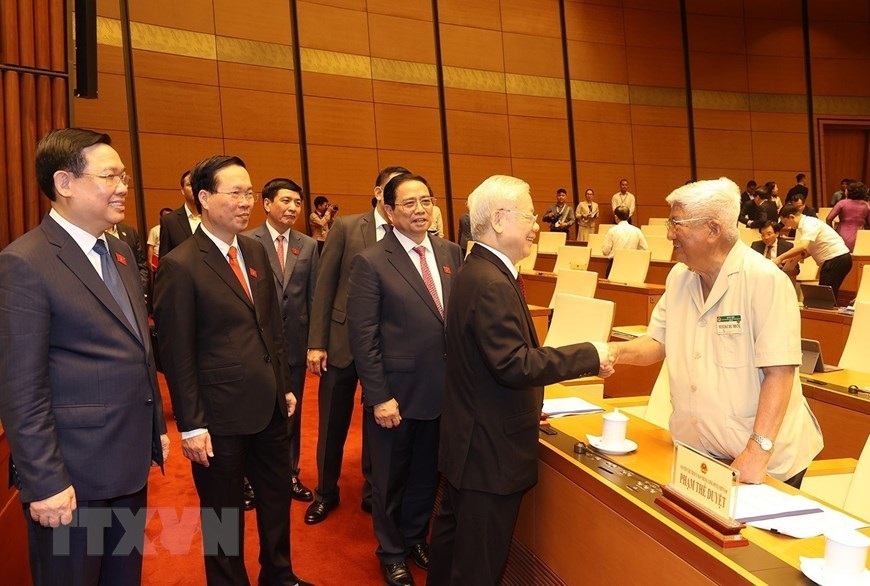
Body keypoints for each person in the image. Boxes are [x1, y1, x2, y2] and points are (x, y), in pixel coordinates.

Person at [0, 127, 169, 584]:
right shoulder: (25, 262)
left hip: (128, 466)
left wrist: (156, 427)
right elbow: (21, 389)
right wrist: (46, 481)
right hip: (72, 481)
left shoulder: (119, 251)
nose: (123, 187)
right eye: (110, 176)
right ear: (65, 183)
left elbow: (137, 347)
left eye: (124, 176)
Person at [427, 174, 613, 586]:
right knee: (476, 568)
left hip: (470, 442)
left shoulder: (477, 270)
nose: (536, 225)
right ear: (498, 220)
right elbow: (513, 364)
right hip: (488, 452)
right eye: (528, 216)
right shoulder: (491, 282)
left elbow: (483, 364)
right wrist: (591, 354)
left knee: (452, 551)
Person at [153, 155, 310, 586]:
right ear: (204, 198)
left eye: (249, 193)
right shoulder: (181, 264)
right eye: (235, 193)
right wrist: (191, 425)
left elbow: (271, 327)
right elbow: (176, 352)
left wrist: (284, 386)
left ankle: (279, 574)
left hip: (269, 407)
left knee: (276, 500)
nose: (246, 202)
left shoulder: (254, 250)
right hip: (218, 417)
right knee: (223, 516)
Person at [606, 177, 822, 489]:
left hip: (761, 461)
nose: (669, 233)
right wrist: (613, 352)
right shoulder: (679, 277)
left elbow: (780, 373)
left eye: (677, 224)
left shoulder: (764, 280)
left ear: (713, 229)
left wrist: (756, 451)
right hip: (700, 453)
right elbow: (657, 342)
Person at [347, 173, 463, 586]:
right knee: (389, 479)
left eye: (426, 201)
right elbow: (363, 336)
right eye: (409, 203)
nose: (420, 210)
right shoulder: (371, 261)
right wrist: (379, 395)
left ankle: (414, 536)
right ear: (389, 210)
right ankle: (391, 551)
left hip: (442, 391)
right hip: (395, 395)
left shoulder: (451, 252)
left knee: (427, 474)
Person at [305, 165, 411, 525]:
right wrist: (317, 341)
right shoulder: (348, 227)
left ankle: (372, 492)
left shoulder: (408, 234)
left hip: (388, 348)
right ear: (379, 192)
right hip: (342, 342)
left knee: (379, 422)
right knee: (332, 422)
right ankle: (326, 492)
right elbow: (324, 285)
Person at [243, 177, 320, 503]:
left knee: (292, 414)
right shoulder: (247, 241)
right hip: (258, 347)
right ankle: (250, 480)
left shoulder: (309, 245)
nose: (292, 208)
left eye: (297, 203)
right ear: (267, 203)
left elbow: (314, 297)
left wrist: (315, 342)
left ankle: (289, 474)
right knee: (256, 412)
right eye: (285, 201)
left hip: (294, 345)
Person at [776, 202, 852, 298]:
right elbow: (808, 249)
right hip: (836, 259)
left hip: (836, 258)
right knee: (827, 295)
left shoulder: (809, 224)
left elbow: (803, 246)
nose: (787, 226)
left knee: (824, 296)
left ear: (792, 217)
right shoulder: (806, 224)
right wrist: (791, 259)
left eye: (785, 222)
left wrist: (780, 258)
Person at [158, 169, 199, 258]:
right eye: (189, 185)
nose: (195, 188)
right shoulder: (170, 221)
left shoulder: (213, 217)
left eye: (198, 184)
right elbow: (165, 258)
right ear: (182, 191)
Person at [107, 221, 150, 296]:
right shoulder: (93, 233)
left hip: (134, 293)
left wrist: (139, 290)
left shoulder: (129, 231)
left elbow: (141, 264)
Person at [826, 181, 870, 252]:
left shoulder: (842, 203)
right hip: (860, 237)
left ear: (848, 192)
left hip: (841, 236)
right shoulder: (866, 205)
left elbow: (829, 219)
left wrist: (832, 232)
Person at [146, 206, 173, 271]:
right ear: (161, 217)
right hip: (158, 259)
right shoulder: (154, 230)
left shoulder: (176, 229)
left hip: (172, 259)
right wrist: (150, 261)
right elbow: (151, 247)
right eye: (165, 216)